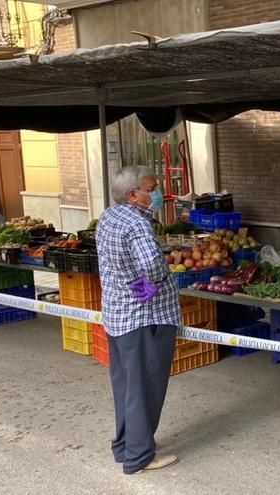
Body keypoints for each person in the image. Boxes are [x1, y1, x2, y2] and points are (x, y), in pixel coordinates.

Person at [97, 166, 181, 475]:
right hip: (146, 319)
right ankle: (139, 457)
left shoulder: (109, 216)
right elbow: (152, 266)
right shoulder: (136, 224)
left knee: (127, 387)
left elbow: (113, 263)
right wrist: (153, 284)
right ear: (133, 194)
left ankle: (125, 447)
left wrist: (134, 285)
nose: (157, 193)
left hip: (118, 317)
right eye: (152, 188)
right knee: (145, 387)